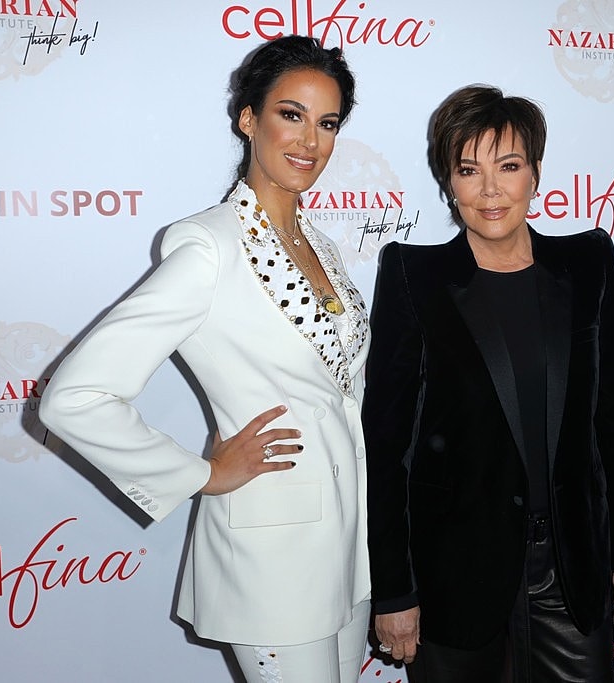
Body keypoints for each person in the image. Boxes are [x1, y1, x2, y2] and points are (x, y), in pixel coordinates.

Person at [40, 35, 372, 683]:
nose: (310, 140)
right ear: (248, 118)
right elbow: (73, 397)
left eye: (327, 122)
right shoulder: (208, 246)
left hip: (349, 546)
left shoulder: (324, 246)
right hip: (271, 553)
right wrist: (199, 472)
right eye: (290, 114)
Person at [363, 84, 614, 682]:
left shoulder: (589, 262)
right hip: (455, 577)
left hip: (571, 571)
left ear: (536, 174)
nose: (490, 189)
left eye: (509, 166)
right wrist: (394, 591)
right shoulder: (413, 277)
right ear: (449, 180)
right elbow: (387, 448)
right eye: (468, 169)